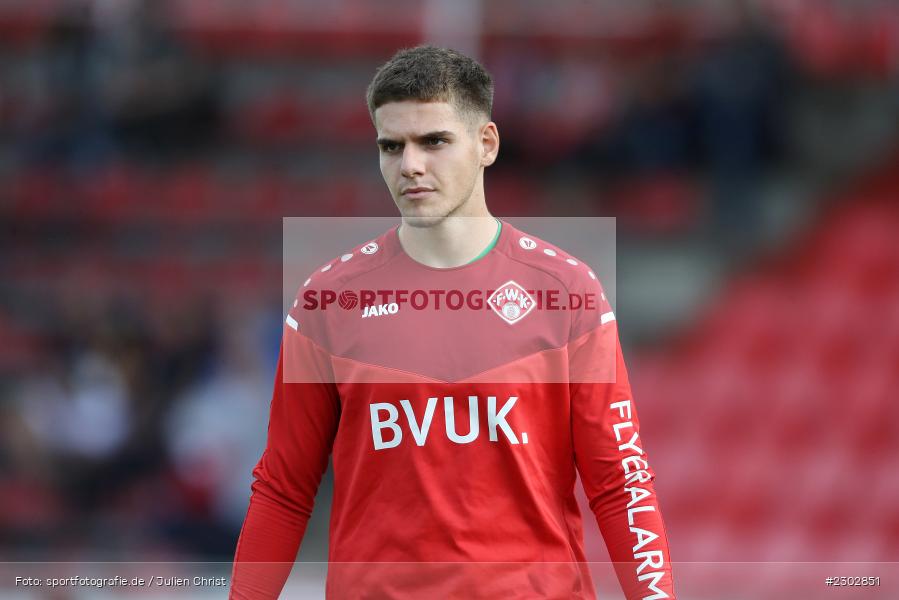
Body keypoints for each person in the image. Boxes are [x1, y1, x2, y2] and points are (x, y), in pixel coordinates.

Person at [230, 45, 675, 599]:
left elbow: (620, 483)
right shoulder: (328, 299)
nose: (410, 165)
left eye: (433, 141)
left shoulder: (567, 291)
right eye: (391, 146)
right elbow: (283, 489)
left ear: (486, 144)